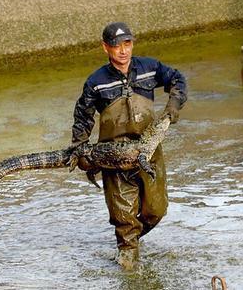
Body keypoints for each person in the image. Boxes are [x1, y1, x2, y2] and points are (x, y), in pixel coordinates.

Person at [70, 22, 187, 270]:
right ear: (105, 48)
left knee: (157, 210)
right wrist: (80, 149)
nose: (123, 50)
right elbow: (83, 116)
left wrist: (174, 104)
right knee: (123, 218)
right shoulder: (96, 82)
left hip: (149, 151)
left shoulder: (150, 68)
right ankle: (128, 260)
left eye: (127, 44)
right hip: (114, 156)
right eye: (116, 45)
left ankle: (129, 240)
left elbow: (177, 79)